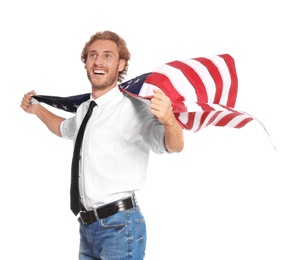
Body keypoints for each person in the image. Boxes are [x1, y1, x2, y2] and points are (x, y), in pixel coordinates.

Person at [20, 30, 184, 259]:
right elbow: (63, 128)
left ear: (121, 64)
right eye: (92, 55)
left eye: (108, 55)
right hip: (87, 227)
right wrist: (37, 110)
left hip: (120, 228)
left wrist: (168, 120)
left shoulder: (132, 108)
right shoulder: (86, 109)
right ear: (86, 62)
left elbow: (172, 146)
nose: (98, 61)